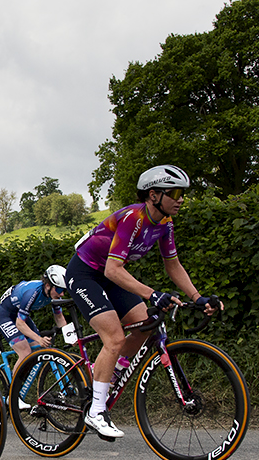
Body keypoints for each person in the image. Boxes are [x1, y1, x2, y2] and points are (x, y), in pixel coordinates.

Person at [65, 165, 221, 440]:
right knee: (113, 337)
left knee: (146, 324)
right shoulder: (133, 218)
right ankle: (96, 411)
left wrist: (198, 298)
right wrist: (152, 294)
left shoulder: (165, 224)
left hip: (110, 275)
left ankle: (107, 374)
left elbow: (173, 265)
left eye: (182, 193)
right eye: (174, 192)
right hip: (85, 272)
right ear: (153, 195)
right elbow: (113, 270)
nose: (180, 198)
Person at [0, 265, 68, 370]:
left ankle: (25, 383)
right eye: (59, 289)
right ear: (48, 285)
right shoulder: (33, 293)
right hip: (5, 316)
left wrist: (69, 336)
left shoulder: (53, 295)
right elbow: (20, 324)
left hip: (19, 315)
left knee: (39, 348)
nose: (62, 294)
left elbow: (59, 317)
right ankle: (13, 386)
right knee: (25, 352)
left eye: (64, 290)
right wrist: (39, 338)